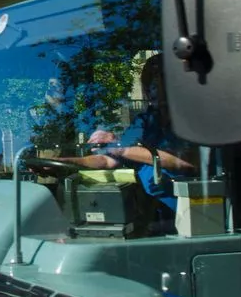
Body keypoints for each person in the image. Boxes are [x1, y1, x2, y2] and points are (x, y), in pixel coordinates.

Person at [37, 54, 195, 213]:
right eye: (148, 83)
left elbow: (186, 161)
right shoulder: (144, 121)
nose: (151, 89)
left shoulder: (193, 120)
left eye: (158, 81)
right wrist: (61, 163)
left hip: (188, 210)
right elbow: (107, 160)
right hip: (148, 210)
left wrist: (118, 147)